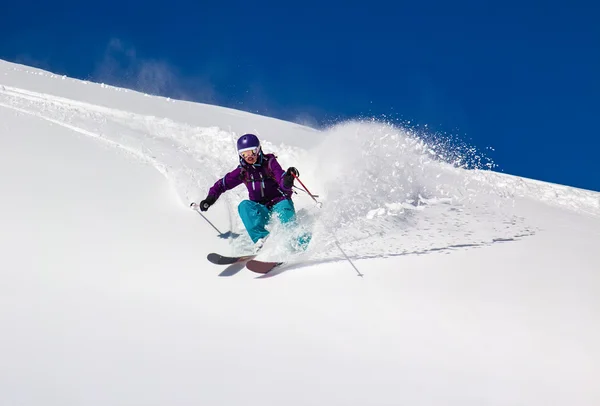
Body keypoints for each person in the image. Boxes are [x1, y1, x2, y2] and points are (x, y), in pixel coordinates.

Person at [192, 133, 310, 251]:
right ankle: (262, 239)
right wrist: (210, 198)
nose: (249, 157)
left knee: (287, 223)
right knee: (244, 206)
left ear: (258, 150)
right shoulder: (243, 171)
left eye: (252, 152)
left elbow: (281, 178)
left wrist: (287, 181)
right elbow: (221, 184)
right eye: (244, 154)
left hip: (280, 202)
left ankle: (300, 244)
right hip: (261, 209)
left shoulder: (270, 163)